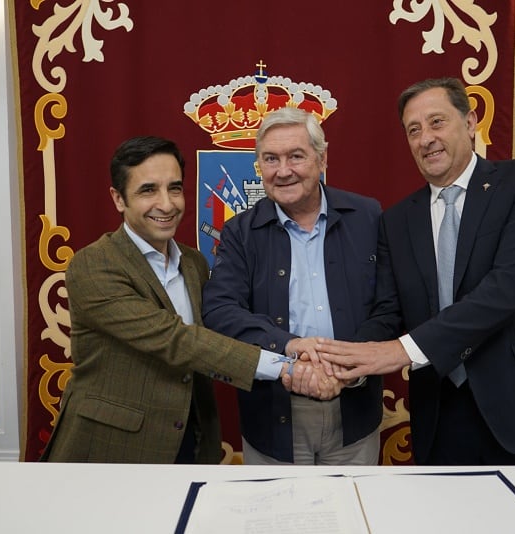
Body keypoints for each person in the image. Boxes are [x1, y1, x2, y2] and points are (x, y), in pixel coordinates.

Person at [318, 78, 515, 468]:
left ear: (470, 122)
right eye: (413, 130)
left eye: (436, 122)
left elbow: (507, 289)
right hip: (441, 415)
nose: (425, 138)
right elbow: (388, 312)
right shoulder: (396, 220)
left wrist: (401, 351)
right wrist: (345, 359)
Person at [41, 136, 334, 464]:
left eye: (175, 188)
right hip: (114, 448)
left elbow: (222, 330)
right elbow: (174, 340)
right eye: (148, 190)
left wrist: (293, 345)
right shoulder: (94, 265)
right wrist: (286, 362)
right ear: (118, 198)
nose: (166, 204)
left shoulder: (194, 264)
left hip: (191, 440)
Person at [202, 107, 383, 465]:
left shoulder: (368, 217)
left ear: (322, 157)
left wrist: (345, 366)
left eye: (295, 156)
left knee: (354, 516)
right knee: (277, 520)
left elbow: (389, 304)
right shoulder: (239, 232)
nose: (283, 171)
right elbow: (220, 310)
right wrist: (290, 346)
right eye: (271, 159)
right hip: (273, 415)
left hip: (356, 411)